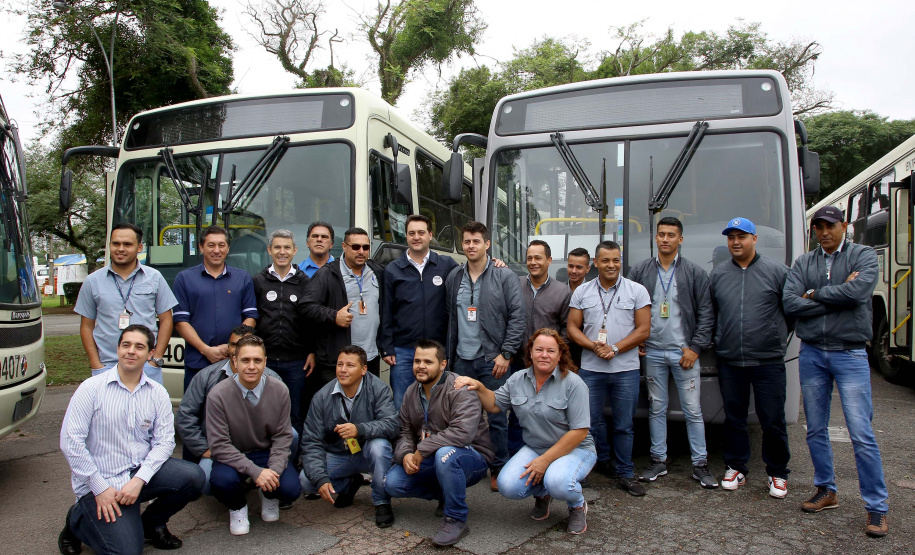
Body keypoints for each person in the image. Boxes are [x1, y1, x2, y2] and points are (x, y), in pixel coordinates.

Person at [783, 205, 888, 537]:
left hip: (850, 353)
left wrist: (813, 294)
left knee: (861, 434)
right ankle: (826, 490)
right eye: (818, 227)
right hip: (812, 352)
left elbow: (859, 293)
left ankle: (877, 508)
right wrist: (835, 296)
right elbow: (789, 301)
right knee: (815, 429)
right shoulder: (804, 262)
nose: (824, 232)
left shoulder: (863, 256)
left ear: (844, 226)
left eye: (830, 225)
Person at [58, 325, 205, 555]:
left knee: (194, 477)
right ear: (117, 349)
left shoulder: (157, 392)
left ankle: (151, 524)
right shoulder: (91, 388)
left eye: (139, 347)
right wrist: (99, 488)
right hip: (100, 484)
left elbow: (165, 442)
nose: (131, 351)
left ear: (150, 354)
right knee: (126, 551)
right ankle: (77, 520)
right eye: (126, 345)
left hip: (136, 477)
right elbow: (70, 442)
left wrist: (139, 480)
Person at [455, 329, 595, 535]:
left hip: (576, 449)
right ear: (530, 353)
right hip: (536, 447)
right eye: (539, 349)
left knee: (558, 482)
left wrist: (544, 461)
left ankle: (576, 505)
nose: (544, 355)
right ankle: (543, 494)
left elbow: (580, 432)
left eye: (550, 351)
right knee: (507, 485)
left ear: (559, 355)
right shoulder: (518, 379)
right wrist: (478, 387)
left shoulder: (574, 384)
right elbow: (494, 404)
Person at [628, 217, 717, 488]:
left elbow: (706, 314)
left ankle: (700, 464)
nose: (665, 239)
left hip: (684, 354)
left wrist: (695, 348)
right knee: (657, 408)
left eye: (671, 235)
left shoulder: (695, 273)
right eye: (661, 234)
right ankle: (658, 461)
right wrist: (635, 340)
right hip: (652, 353)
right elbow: (627, 306)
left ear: (680, 239)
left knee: (693, 410)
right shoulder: (641, 270)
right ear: (655, 238)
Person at [709, 217, 791, 499]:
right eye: (731, 237)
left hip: (768, 360)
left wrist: (777, 339)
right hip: (731, 359)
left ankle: (778, 472)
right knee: (734, 417)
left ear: (754, 239)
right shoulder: (718, 274)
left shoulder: (777, 271)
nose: (735, 242)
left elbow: (790, 310)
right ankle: (736, 466)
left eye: (741, 236)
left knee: (773, 419)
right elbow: (712, 314)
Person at [384, 339, 494, 547]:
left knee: (446, 454)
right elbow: (405, 431)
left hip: (472, 456)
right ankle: (447, 492)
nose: (421, 366)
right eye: (417, 361)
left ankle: (456, 519)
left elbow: (462, 433)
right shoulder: (411, 392)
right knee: (393, 482)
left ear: (442, 365)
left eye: (428, 361)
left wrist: (421, 449)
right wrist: (406, 454)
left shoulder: (459, 388)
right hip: (431, 457)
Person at [446, 221, 525, 491]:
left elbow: (517, 316)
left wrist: (506, 354)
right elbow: (451, 320)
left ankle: (499, 467)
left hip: (493, 360)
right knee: (460, 416)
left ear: (487, 244)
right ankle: (468, 464)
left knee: (497, 418)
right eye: (466, 241)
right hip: (461, 360)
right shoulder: (454, 277)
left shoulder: (504, 276)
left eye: (476, 241)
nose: (471, 246)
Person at [567, 240, 650, 496]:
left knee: (624, 425)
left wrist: (614, 349)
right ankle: (594, 465)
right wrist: (594, 347)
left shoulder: (637, 291)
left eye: (616, 260)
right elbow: (572, 328)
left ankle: (625, 472)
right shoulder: (582, 292)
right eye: (605, 260)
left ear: (620, 261)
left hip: (625, 370)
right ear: (596, 263)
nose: (611, 265)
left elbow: (644, 329)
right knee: (589, 423)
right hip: (592, 370)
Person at [206, 335, 300, 536]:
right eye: (245, 360)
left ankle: (269, 495)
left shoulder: (280, 390)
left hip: (266, 453)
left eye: (257, 360)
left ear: (265, 362)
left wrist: (272, 473)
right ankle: (238, 507)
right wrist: (256, 472)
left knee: (291, 489)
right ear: (234, 362)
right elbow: (220, 445)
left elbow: (283, 437)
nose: (251, 366)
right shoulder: (218, 394)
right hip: (233, 455)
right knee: (220, 482)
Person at [176, 324, 285, 495]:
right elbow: (185, 416)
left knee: (291, 436)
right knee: (206, 482)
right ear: (228, 347)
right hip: (220, 448)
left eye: (244, 344)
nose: (238, 349)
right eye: (234, 344)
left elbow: (282, 429)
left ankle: (265, 488)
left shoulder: (273, 379)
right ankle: (236, 495)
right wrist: (203, 448)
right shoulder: (206, 377)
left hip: (260, 448)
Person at [299, 345, 399, 528]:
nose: (343, 370)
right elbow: (312, 441)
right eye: (340, 364)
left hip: (368, 454)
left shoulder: (378, 388)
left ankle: (381, 501)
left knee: (379, 446)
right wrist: (321, 478)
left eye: (350, 365)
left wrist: (360, 429)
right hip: (339, 454)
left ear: (364, 369)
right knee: (307, 480)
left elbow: (392, 424)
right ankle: (349, 484)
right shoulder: (322, 397)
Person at [74, 223, 177, 383]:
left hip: (146, 367)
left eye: (127, 244)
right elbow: (86, 326)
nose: (120, 248)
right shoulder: (92, 281)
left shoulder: (155, 278)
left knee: (147, 409)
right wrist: (96, 364)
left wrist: (155, 360)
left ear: (139, 247)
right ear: (109, 246)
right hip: (106, 367)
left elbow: (166, 320)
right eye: (116, 243)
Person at [382, 214, 460, 410]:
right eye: (411, 233)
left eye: (421, 233)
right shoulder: (393, 270)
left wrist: (494, 264)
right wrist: (387, 346)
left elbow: (472, 272)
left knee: (438, 404)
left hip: (437, 349)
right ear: (406, 237)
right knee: (402, 403)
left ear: (430, 235)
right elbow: (386, 310)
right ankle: (405, 441)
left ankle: (434, 440)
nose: (416, 237)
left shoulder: (446, 265)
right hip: (403, 350)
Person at [173, 226, 258, 391]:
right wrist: (205, 350)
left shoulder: (243, 278)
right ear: (201, 247)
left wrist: (231, 346)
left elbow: (250, 318)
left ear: (228, 248)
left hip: (233, 362)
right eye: (211, 245)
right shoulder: (184, 278)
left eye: (221, 245)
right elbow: (180, 321)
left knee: (232, 413)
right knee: (194, 412)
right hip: (197, 361)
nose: (216, 250)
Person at [509, 240, 571, 455]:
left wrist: (555, 358)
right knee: (518, 412)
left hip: (547, 365)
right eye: (529, 258)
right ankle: (516, 458)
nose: (533, 262)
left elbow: (566, 330)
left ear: (549, 260)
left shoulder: (562, 292)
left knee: (548, 413)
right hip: (518, 361)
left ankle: (549, 458)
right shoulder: (514, 284)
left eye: (538, 258)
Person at [302, 227, 386, 386]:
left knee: (367, 406)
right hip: (339, 360)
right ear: (344, 246)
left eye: (365, 247)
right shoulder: (327, 274)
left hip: (370, 357)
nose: (361, 251)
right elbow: (306, 307)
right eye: (355, 247)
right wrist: (334, 316)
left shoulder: (377, 272)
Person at [253, 229, 315, 434]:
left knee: (295, 412)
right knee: (262, 410)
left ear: (295, 250)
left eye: (287, 247)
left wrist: (312, 351)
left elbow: (311, 320)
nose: (282, 252)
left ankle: (292, 459)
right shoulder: (258, 281)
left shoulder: (305, 282)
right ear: (269, 250)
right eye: (277, 247)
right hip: (265, 359)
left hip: (296, 362)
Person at [564, 247, 592, 367]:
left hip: (587, 349)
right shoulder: (559, 290)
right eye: (571, 266)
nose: (574, 271)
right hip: (563, 348)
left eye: (579, 267)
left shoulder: (594, 292)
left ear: (587, 269)